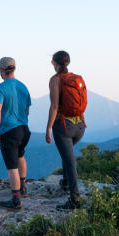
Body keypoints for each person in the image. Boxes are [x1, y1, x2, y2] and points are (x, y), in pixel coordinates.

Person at [45, 50, 88, 209]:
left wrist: (48, 128)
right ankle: (65, 183)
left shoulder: (56, 80)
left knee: (70, 161)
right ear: (67, 63)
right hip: (80, 126)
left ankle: (75, 200)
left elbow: (55, 106)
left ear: (54, 63)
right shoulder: (78, 79)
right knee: (67, 154)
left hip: (64, 127)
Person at [0, 56, 31, 210]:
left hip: (9, 131)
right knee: (20, 155)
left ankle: (16, 200)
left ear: (2, 70)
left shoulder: (0, 88)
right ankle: (23, 187)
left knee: (12, 166)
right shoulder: (23, 86)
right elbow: (27, 110)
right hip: (24, 129)